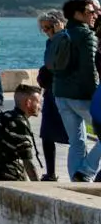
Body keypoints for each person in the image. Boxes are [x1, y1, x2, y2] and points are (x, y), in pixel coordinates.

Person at [46, 0, 100, 182]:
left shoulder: (61, 35)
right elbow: (89, 69)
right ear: (78, 14)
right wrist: (95, 98)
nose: (95, 15)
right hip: (82, 97)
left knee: (76, 142)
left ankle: (77, 180)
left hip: (60, 95)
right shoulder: (87, 36)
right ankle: (86, 171)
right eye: (90, 12)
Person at [39, 9, 70, 181]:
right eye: (44, 29)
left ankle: (83, 170)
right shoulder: (50, 42)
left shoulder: (65, 39)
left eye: (49, 28)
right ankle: (50, 172)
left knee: (74, 135)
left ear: (59, 24)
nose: (47, 32)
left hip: (63, 91)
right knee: (47, 133)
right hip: (51, 91)